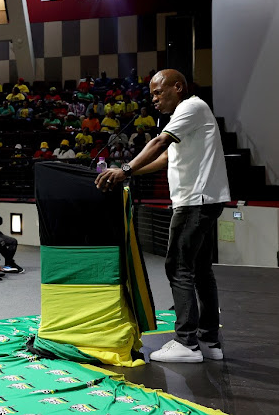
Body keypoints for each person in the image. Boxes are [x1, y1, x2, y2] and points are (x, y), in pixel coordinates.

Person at [96, 69, 230, 363]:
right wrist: (125, 176)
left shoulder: (190, 107)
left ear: (177, 87)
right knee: (201, 270)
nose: (153, 98)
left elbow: (159, 144)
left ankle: (186, 343)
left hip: (194, 202)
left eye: (158, 92)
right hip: (206, 200)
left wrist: (125, 169)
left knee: (178, 267)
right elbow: (166, 158)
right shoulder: (190, 113)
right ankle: (209, 341)